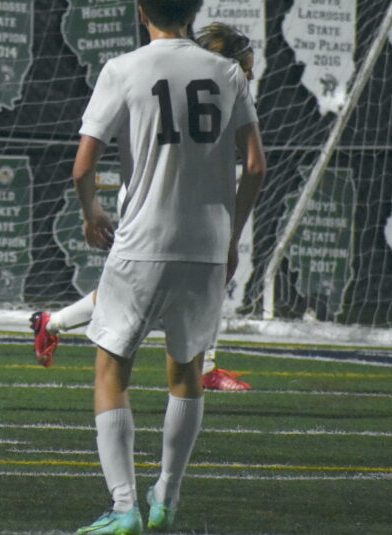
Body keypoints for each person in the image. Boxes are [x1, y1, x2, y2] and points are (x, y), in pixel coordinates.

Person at [71, 0, 265, 534]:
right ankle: (167, 497)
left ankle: (123, 506)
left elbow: (83, 166)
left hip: (142, 241)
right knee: (187, 372)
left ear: (142, 11)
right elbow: (255, 165)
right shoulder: (227, 71)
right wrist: (232, 235)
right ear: (193, 11)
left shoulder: (123, 68)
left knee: (112, 369)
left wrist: (92, 211)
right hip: (206, 245)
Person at [30, 22, 257, 393]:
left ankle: (52, 323)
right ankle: (202, 368)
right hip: (155, 202)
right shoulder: (209, 84)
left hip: (174, 203)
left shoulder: (216, 88)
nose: (250, 76)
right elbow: (252, 164)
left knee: (139, 290)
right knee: (169, 287)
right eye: (245, 68)